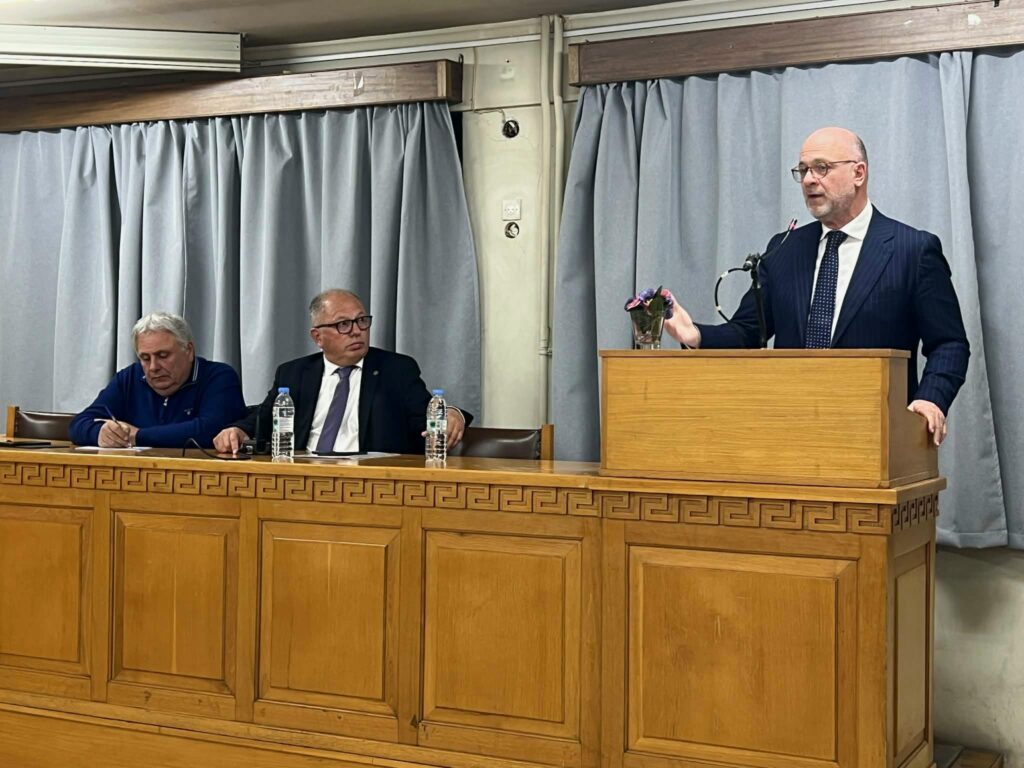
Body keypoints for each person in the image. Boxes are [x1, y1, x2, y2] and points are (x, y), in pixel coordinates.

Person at [664, 126, 969, 446]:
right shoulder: (784, 249)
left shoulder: (913, 250)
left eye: (822, 168)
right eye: (803, 170)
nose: (809, 179)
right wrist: (695, 335)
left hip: (877, 435)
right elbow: (748, 331)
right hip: (789, 434)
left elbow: (949, 343)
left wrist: (930, 399)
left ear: (858, 173)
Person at [213, 289, 471, 455]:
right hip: (304, 473)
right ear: (318, 337)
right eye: (343, 324)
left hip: (370, 478)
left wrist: (451, 414)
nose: (357, 331)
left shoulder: (396, 370)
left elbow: (425, 416)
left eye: (361, 321)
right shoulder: (294, 373)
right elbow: (264, 417)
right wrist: (237, 430)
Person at [69, 312, 248, 448]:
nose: (153, 367)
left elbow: (210, 430)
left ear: (189, 351)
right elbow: (79, 423)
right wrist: (101, 433)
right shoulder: (129, 378)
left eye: (163, 356)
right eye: (145, 358)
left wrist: (138, 436)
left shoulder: (218, 377)